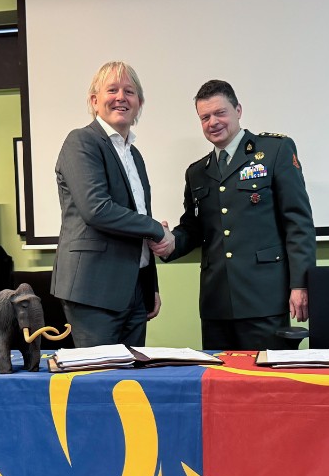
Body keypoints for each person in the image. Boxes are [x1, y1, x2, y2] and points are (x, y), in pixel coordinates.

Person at [153, 79, 315, 350]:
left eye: (220, 113)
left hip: (265, 299)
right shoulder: (197, 172)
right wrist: (167, 242)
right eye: (205, 117)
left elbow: (297, 222)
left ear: (238, 110)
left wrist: (301, 284)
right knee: (221, 376)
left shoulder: (274, 151)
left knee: (266, 376)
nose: (213, 122)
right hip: (216, 303)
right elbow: (193, 228)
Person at [51, 61, 175, 347]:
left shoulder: (135, 156)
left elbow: (139, 219)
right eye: (112, 90)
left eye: (129, 91)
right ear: (94, 101)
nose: (121, 97)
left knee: (132, 374)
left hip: (134, 289)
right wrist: (158, 230)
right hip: (94, 290)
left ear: (139, 103)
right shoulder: (81, 141)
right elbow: (97, 209)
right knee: (101, 374)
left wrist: (150, 286)